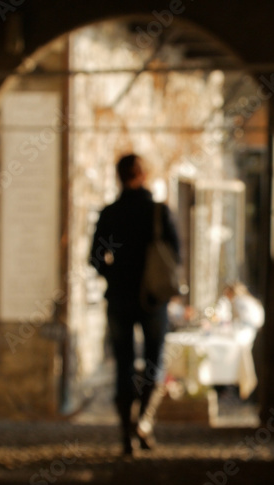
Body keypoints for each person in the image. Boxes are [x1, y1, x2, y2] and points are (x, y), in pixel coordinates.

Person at [90, 154, 180, 456]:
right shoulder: (157, 212)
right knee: (154, 361)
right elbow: (175, 255)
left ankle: (126, 433)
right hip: (153, 298)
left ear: (118, 176)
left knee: (124, 364)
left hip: (119, 297)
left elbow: (95, 258)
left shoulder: (111, 214)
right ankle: (144, 420)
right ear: (143, 174)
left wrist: (114, 274)